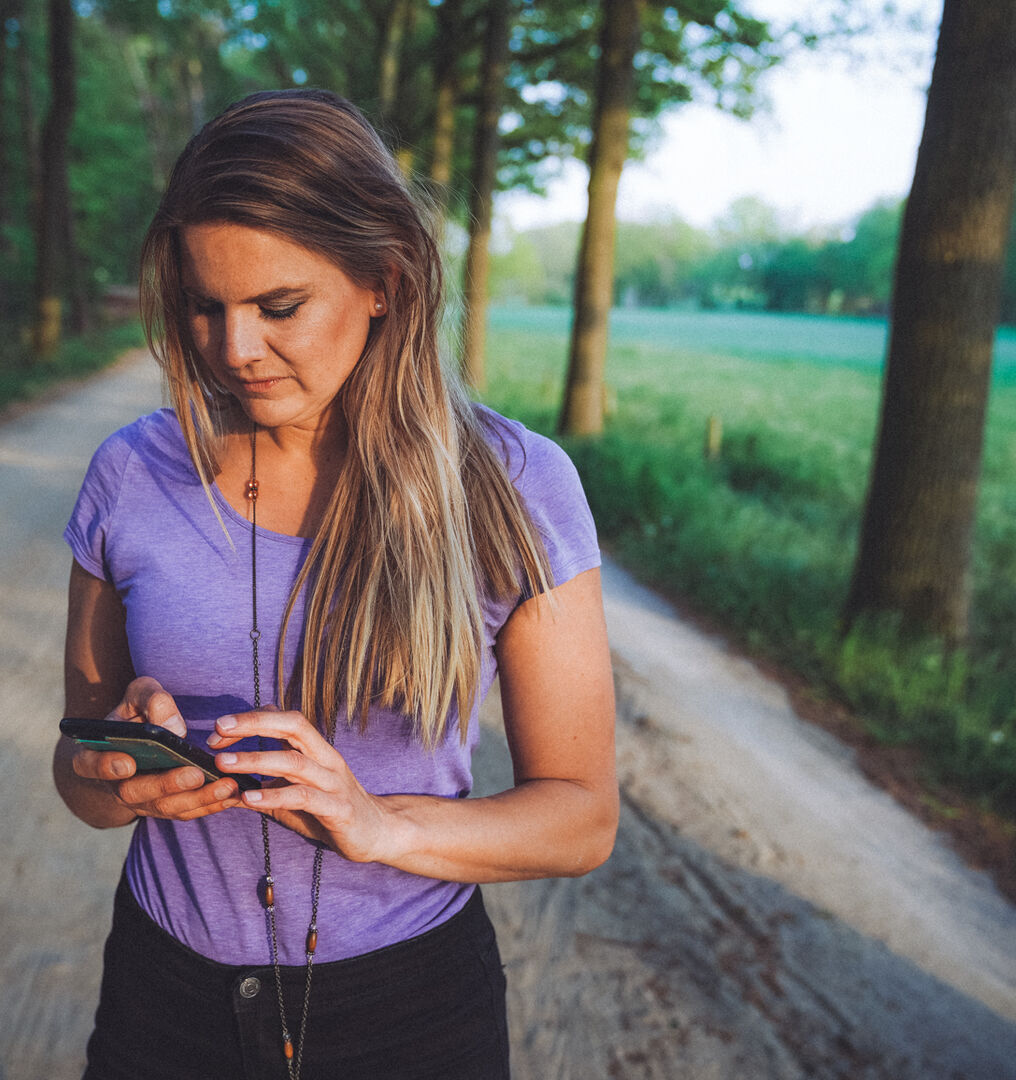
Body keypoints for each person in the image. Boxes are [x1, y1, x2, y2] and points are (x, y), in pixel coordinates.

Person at [53, 88, 617, 1080]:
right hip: (162, 999)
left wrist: (376, 822)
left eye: (277, 307)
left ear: (382, 281)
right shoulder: (129, 476)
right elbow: (79, 778)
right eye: (202, 304)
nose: (233, 349)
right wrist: (122, 775)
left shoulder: (513, 488)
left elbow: (579, 818)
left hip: (408, 1015)